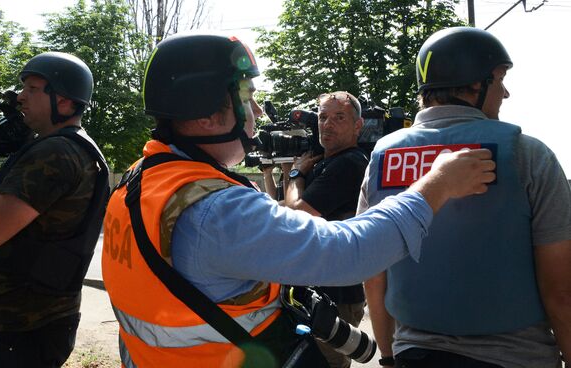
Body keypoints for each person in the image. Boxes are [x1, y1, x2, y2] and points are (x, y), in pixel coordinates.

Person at [101, 33, 496, 368]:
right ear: (205, 111)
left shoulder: (141, 180)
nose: (256, 110)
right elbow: (350, 252)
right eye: (246, 95)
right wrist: (436, 185)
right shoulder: (215, 210)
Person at [358, 27, 571, 368]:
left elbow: (374, 274)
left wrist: (387, 356)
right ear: (476, 84)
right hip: (516, 357)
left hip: (415, 354)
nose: (505, 92)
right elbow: (561, 291)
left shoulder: (383, 156)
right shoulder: (528, 155)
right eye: (499, 79)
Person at [0, 52, 110, 368]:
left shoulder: (55, 154)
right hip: (31, 322)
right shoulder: (65, 147)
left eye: (32, 89)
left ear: (65, 102)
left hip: (19, 328)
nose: (20, 97)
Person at [281, 91, 369, 368]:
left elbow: (296, 214)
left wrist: (296, 174)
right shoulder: (328, 162)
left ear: (358, 126)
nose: (327, 124)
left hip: (337, 294)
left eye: (339, 117)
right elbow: (285, 207)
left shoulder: (347, 164)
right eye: (322, 117)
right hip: (324, 287)